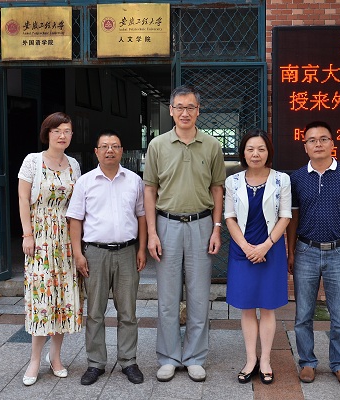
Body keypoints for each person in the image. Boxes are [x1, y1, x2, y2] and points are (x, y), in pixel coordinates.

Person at [143, 85, 226, 382]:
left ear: (198, 110)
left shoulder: (212, 146)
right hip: (166, 224)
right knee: (167, 296)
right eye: (179, 107)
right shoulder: (157, 145)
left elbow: (217, 189)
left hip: (201, 224)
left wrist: (217, 228)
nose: (185, 112)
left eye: (190, 107)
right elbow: (149, 190)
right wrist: (152, 233)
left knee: (199, 295)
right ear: (171, 110)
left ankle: (194, 356)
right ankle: (168, 357)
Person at [286, 120, 340, 387]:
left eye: (323, 139)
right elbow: (293, 219)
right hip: (306, 251)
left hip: (338, 252)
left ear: (332, 143)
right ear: (305, 146)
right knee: (303, 315)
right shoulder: (297, 178)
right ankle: (307, 362)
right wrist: (291, 251)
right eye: (312, 140)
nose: (318, 144)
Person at [66, 130, 147, 385]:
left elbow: (142, 217)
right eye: (104, 146)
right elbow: (75, 220)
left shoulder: (134, 180)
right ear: (96, 152)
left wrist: (142, 249)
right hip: (95, 253)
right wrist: (78, 254)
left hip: (127, 252)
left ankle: (128, 361)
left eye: (115, 146)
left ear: (122, 151)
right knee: (95, 312)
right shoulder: (85, 182)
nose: (110, 150)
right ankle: (95, 363)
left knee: (128, 311)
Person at [17, 112, 83, 386]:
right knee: (41, 299)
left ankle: (55, 356)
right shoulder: (33, 161)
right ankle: (35, 359)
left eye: (67, 131)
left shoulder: (74, 165)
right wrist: (27, 234)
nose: (62, 135)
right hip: (40, 238)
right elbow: (23, 198)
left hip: (66, 239)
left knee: (63, 299)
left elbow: (78, 204)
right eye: (57, 130)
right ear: (47, 133)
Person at [224, 129, 291, 385]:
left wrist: (265, 246)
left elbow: (285, 216)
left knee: (268, 307)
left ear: (268, 152)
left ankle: (266, 361)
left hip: (271, 250)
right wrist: (246, 247)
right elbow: (229, 217)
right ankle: (251, 359)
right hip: (242, 251)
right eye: (250, 149)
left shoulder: (281, 180)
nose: (255, 154)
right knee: (247, 307)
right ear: (243, 152)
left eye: (261, 149)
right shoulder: (233, 181)